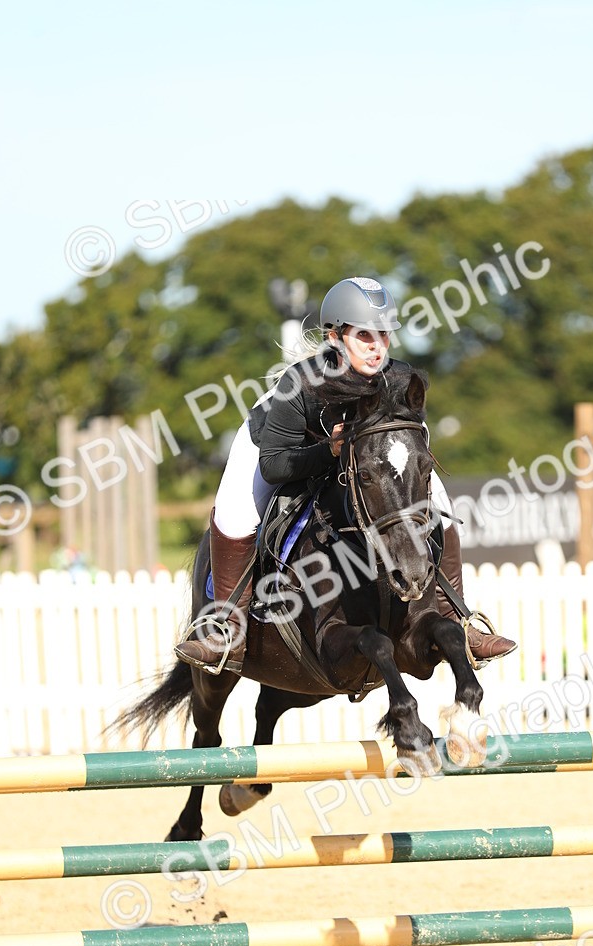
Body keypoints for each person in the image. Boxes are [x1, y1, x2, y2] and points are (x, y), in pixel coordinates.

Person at [175, 276, 516, 671]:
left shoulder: (400, 378)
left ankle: (458, 616)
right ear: (335, 337)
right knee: (236, 511)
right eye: (365, 336)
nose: (378, 347)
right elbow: (274, 464)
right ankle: (226, 629)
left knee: (438, 502)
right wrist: (330, 450)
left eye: (384, 335)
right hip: (274, 447)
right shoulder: (299, 384)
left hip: (360, 465)